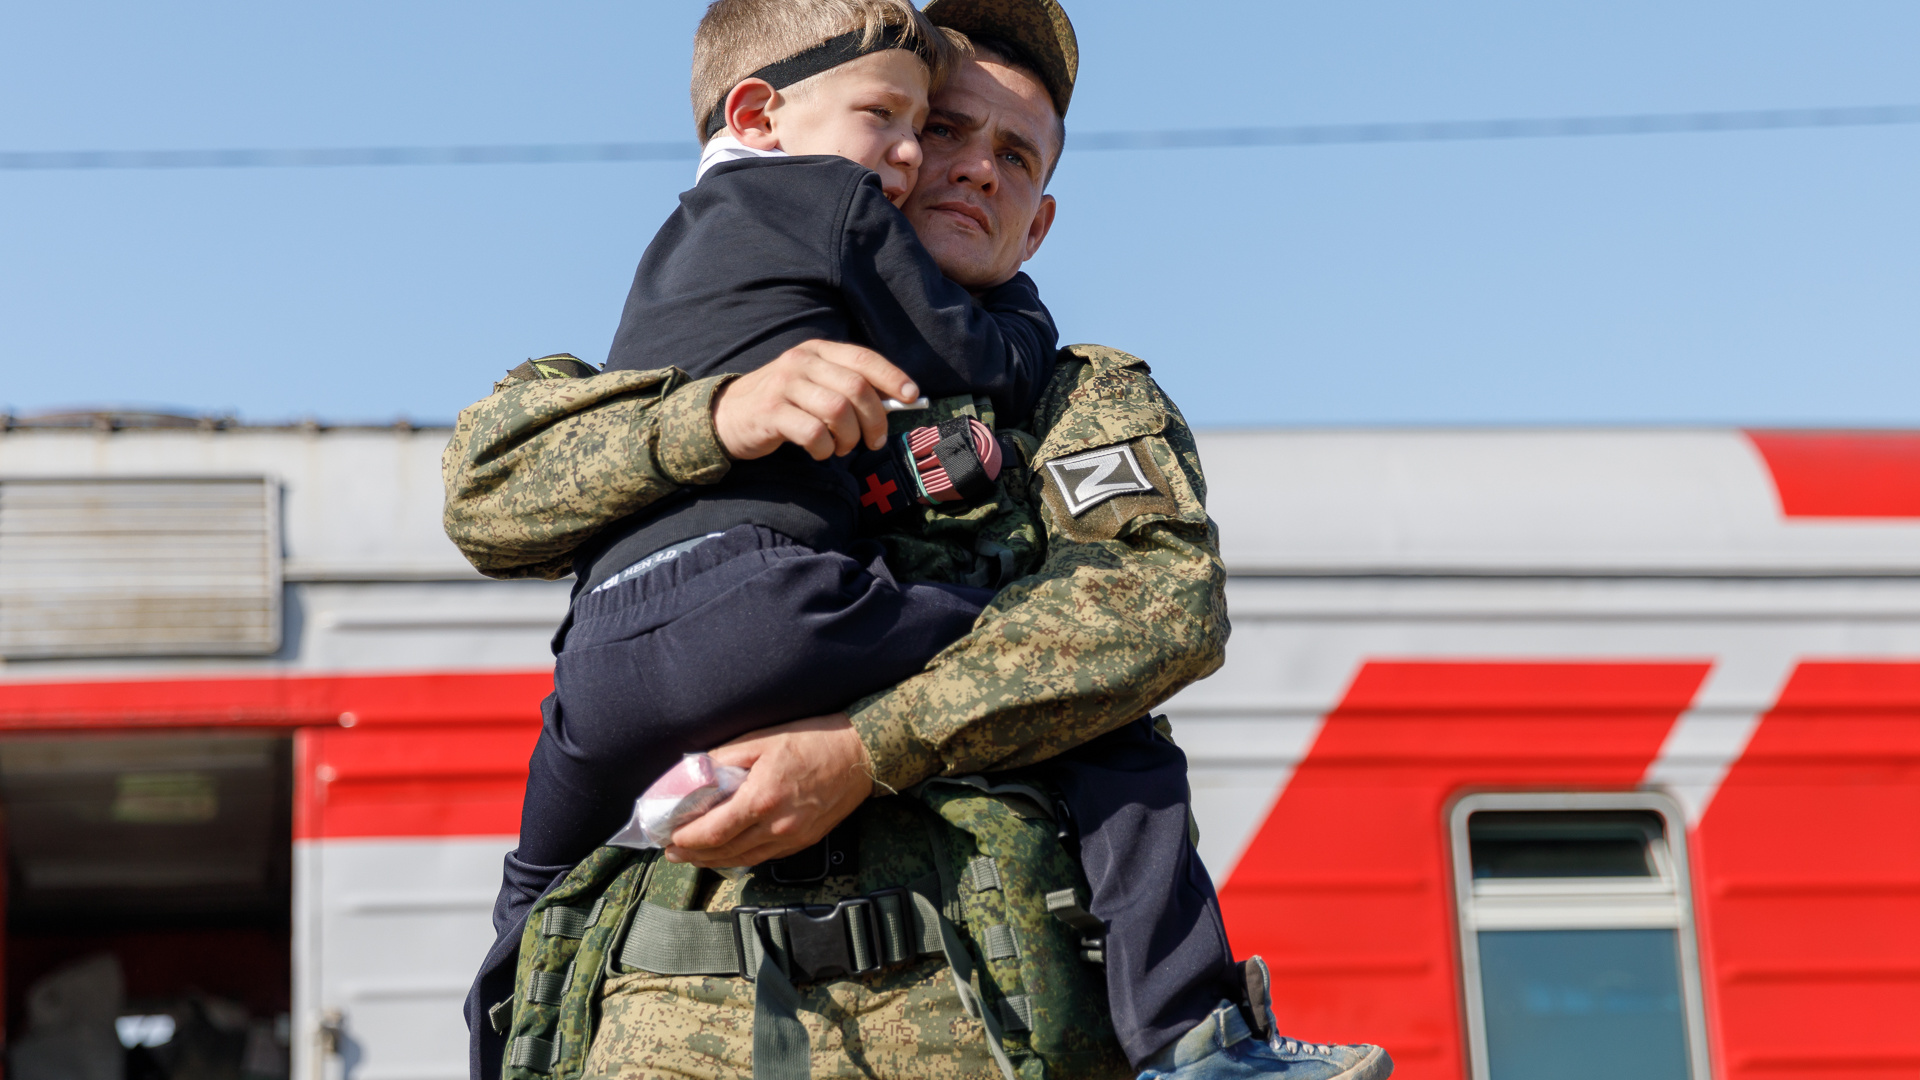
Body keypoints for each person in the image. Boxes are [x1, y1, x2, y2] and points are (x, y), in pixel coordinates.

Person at [447, 3, 1391, 1079]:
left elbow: (1155, 609)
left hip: (978, 1025)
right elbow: (485, 492)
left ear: (1038, 224)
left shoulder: (1075, 397)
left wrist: (862, 753)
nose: (973, 167)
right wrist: (714, 417)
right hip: (663, 1025)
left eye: (1015, 155)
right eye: (942, 129)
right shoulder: (681, 345)